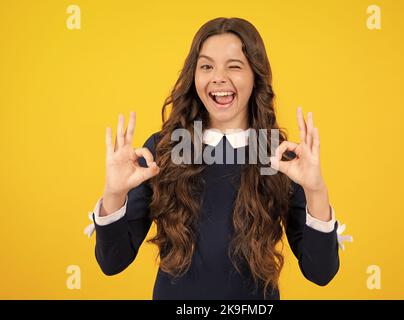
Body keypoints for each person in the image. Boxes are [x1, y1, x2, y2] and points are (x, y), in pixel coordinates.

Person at [84, 17, 352, 300]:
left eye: (234, 66)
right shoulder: (166, 148)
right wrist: (114, 194)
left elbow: (320, 272)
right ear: (194, 76)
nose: (218, 77)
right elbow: (112, 262)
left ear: (255, 76)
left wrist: (315, 191)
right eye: (206, 66)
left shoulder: (278, 156)